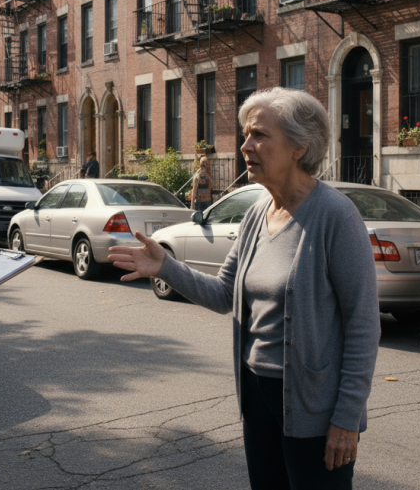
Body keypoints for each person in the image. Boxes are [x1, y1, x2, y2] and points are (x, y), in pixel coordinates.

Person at [109, 87, 380, 490]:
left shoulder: (336, 216)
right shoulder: (256, 214)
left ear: (299, 146)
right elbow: (223, 294)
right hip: (257, 397)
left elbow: (363, 326)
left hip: (314, 407)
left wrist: (345, 419)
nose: (245, 146)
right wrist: (165, 266)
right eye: (245, 135)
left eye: (259, 135)